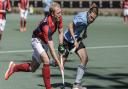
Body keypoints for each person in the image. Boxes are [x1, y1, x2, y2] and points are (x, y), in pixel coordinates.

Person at [5, 2, 64, 89]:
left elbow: (60, 31)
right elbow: (51, 48)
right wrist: (59, 64)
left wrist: (61, 45)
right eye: (58, 13)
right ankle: (48, 87)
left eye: (60, 12)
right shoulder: (46, 26)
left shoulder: (59, 18)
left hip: (44, 42)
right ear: (52, 13)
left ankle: (14, 68)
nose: (60, 14)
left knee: (32, 68)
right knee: (46, 60)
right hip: (36, 40)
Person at [51, 3, 98, 89]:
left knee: (85, 58)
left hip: (76, 40)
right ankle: (50, 61)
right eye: (91, 17)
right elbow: (70, 26)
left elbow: (86, 23)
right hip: (67, 40)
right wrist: (74, 40)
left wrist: (85, 32)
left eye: (94, 19)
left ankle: (76, 84)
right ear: (89, 13)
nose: (91, 20)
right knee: (59, 64)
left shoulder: (89, 16)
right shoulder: (82, 17)